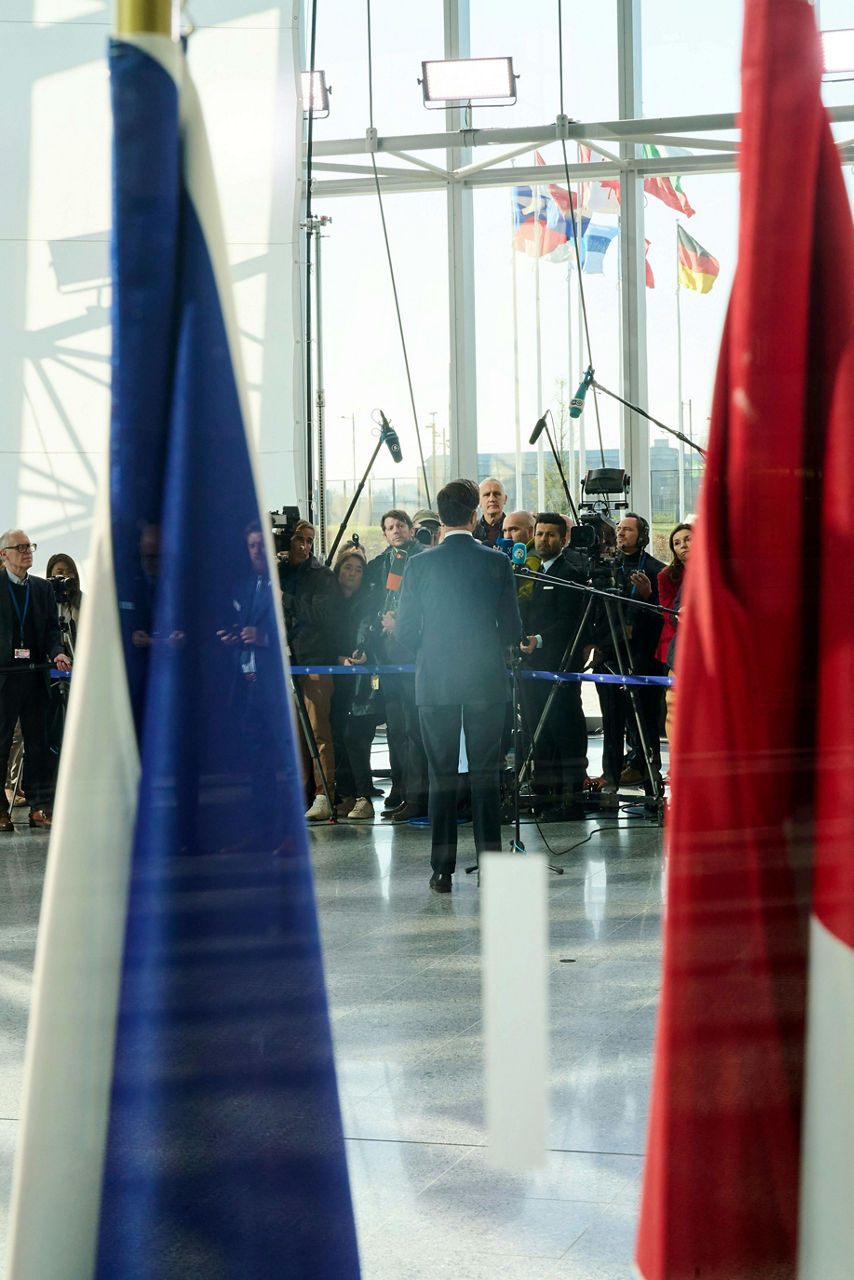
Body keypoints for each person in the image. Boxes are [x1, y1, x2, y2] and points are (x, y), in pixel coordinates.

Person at [397, 479, 522, 893]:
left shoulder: (419, 564)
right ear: (473, 515)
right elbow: (512, 629)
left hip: (435, 681)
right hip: (485, 678)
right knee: (486, 773)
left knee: (442, 774)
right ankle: (491, 866)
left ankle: (441, 871)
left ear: (440, 517)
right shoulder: (496, 562)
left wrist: (427, 649)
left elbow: (404, 633)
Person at [519, 513, 589, 820]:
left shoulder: (570, 573)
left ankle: (570, 798)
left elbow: (569, 622)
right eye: (540, 533)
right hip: (529, 667)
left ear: (564, 539)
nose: (543, 540)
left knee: (564, 731)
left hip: (559, 665)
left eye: (550, 535)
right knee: (538, 732)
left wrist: (540, 639)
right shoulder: (528, 571)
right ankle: (544, 796)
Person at [590, 513, 665, 799]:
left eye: (628, 529)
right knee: (611, 721)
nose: (621, 533)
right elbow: (595, 610)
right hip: (608, 656)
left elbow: (662, 615)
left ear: (642, 536)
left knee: (644, 723)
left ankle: (650, 782)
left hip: (643, 658)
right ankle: (610, 778)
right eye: (619, 529)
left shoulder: (657, 570)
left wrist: (648, 596)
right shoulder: (604, 570)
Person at [0, 531, 71, 831]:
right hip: (4, 679)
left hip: (35, 676)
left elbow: (53, 631)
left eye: (30, 547)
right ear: (4, 554)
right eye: (20, 547)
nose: (28, 552)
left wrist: (57, 653)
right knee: (1, 745)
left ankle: (40, 807)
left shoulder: (42, 589)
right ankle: (0, 811)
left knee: (39, 745)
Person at [362, 510, 428, 822]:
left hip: (413, 653)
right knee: (395, 728)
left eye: (400, 525)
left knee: (414, 729)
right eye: (389, 527)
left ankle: (418, 795)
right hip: (385, 655)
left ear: (412, 529)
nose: (395, 530)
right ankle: (400, 789)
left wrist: (398, 622)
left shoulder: (422, 560)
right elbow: (371, 604)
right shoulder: (379, 565)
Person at [278, 520, 339, 821]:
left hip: (314, 660)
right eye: (299, 539)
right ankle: (301, 793)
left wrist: (286, 599)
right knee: (295, 733)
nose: (304, 546)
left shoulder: (322, 576)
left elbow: (323, 615)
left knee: (318, 730)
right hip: (286, 661)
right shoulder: (279, 572)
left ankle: (323, 793)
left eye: (310, 541)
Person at [330, 543, 378, 820]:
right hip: (334, 675)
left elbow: (364, 631)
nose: (353, 573)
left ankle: (363, 796)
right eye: (348, 567)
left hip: (359, 679)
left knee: (355, 735)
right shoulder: (330, 601)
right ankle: (347, 795)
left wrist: (360, 653)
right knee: (339, 735)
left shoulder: (366, 604)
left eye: (359, 569)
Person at [657, 522, 693, 741]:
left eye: (688, 539)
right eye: (677, 543)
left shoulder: (715, 567)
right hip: (679, 653)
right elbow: (670, 611)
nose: (683, 546)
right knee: (675, 711)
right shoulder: (669, 575)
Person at [472, 477, 508, 547]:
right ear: (479, 501)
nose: (492, 499)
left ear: (505, 499)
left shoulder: (514, 528)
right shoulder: (472, 530)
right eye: (487, 495)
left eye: (496, 494)